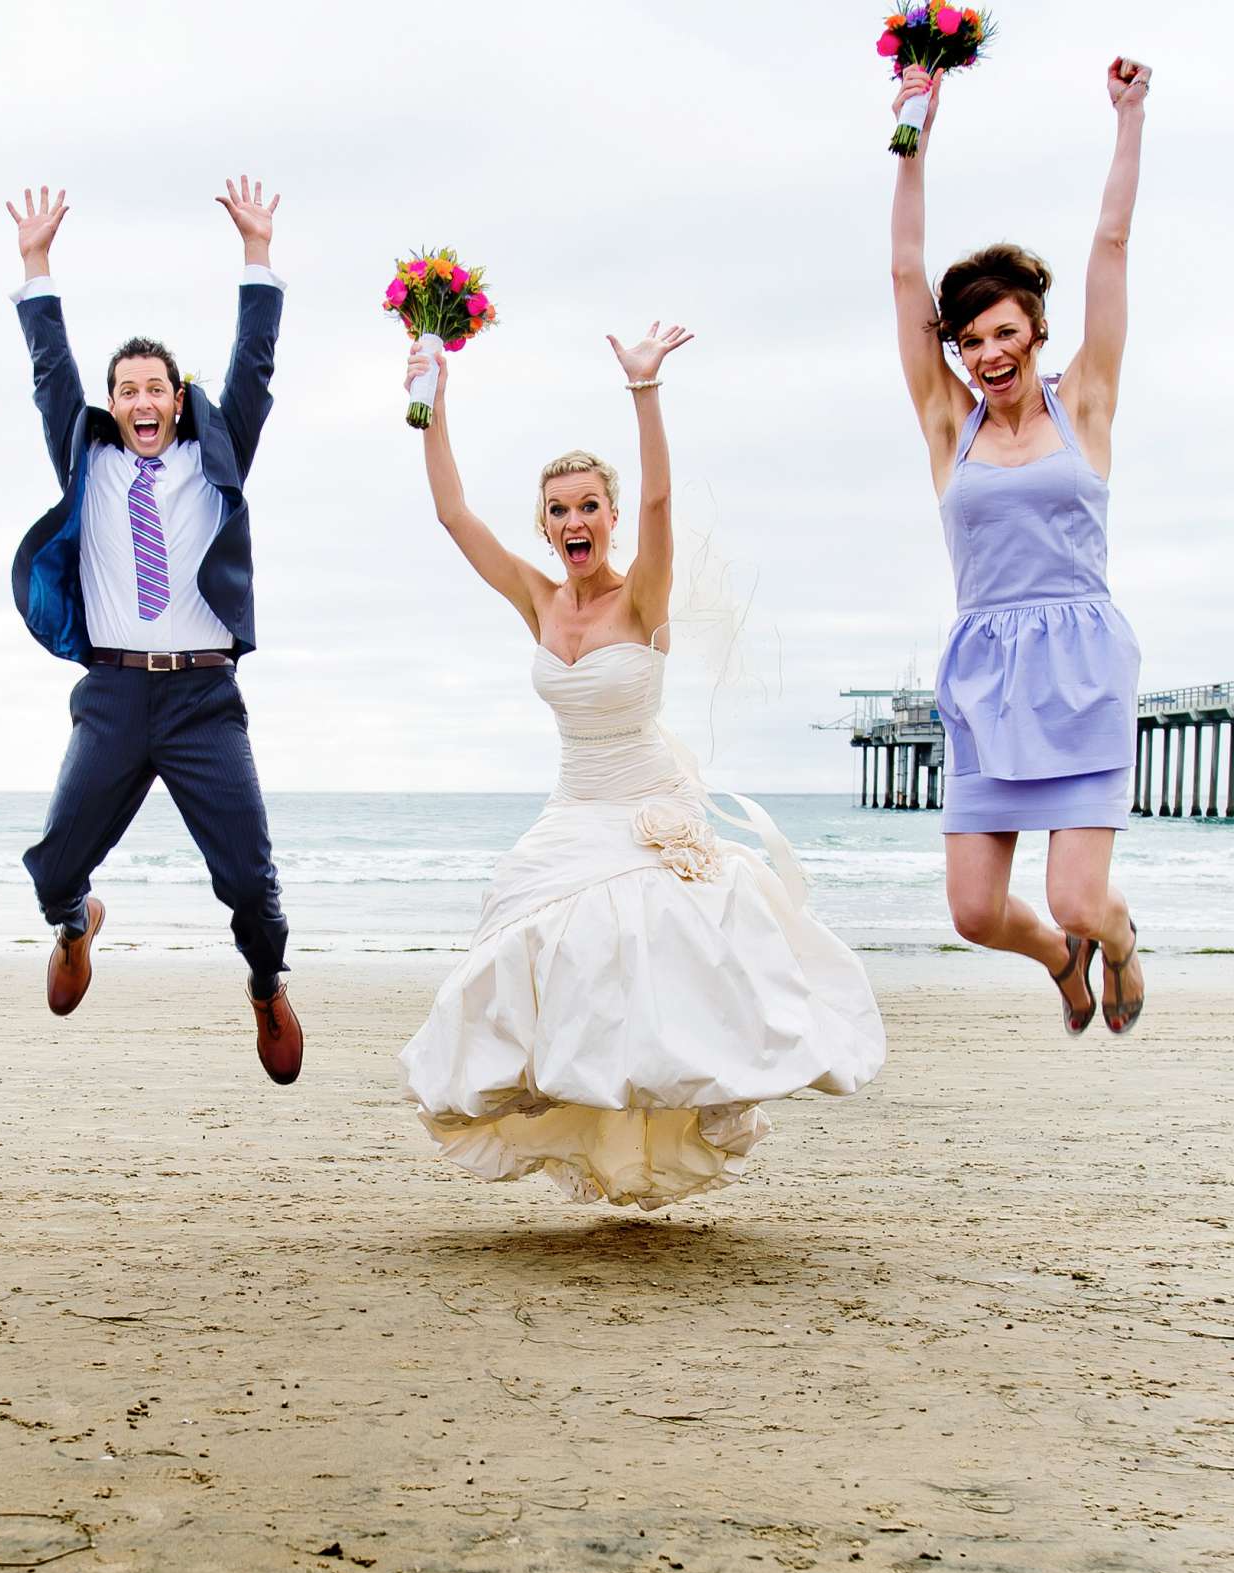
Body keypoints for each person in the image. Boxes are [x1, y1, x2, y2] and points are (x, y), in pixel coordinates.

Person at [396, 331, 884, 1208]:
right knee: (519, 937)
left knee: (660, 956)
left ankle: (688, 1101)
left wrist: (644, 387)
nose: (574, 522)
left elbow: (660, 498)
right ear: (543, 525)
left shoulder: (644, 595)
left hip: (646, 800)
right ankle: (549, 1095)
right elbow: (451, 514)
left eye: (588, 506)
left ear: (608, 517)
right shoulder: (536, 598)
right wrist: (430, 393)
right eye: (558, 510)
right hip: (572, 804)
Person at [3, 179, 302, 1085]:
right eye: (126, 388)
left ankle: (264, 983)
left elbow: (253, 366)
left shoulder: (216, 457)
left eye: (156, 388)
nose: (142, 399)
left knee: (251, 881)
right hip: (115, 693)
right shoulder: (86, 458)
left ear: (176, 400)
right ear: (113, 402)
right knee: (55, 863)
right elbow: (52, 369)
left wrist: (257, 254)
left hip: (204, 698)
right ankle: (76, 921)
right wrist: (36, 264)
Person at [889, 58, 1152, 1035]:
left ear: (1036, 330)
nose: (989, 355)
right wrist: (913, 131)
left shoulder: (1084, 401)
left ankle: (1112, 943)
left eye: (1004, 334)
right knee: (972, 912)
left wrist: (1129, 117)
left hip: (1082, 665)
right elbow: (904, 275)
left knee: (1085, 894)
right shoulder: (945, 423)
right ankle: (1057, 955)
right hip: (985, 670)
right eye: (970, 341)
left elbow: (1113, 243)